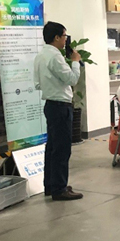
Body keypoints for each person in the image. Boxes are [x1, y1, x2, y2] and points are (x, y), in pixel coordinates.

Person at [33, 22, 82, 201]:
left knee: (52, 148)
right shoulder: (55, 57)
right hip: (61, 106)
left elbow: (37, 83)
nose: (65, 40)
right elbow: (72, 79)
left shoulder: (40, 56)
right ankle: (60, 189)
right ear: (56, 37)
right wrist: (75, 62)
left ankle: (51, 185)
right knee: (62, 149)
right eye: (64, 36)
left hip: (50, 105)